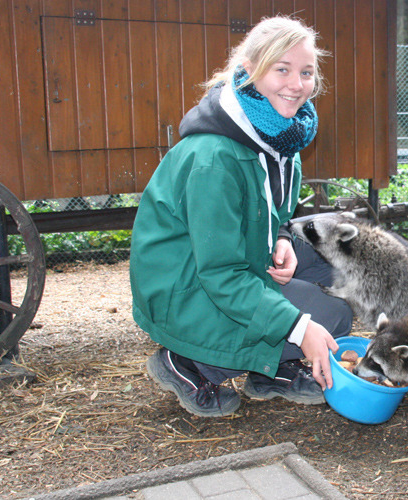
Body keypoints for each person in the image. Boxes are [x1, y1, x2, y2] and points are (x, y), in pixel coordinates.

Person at [129, 16, 353, 418]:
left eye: (305, 72)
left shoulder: (280, 137)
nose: (296, 84)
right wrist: (300, 328)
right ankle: (189, 364)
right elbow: (220, 274)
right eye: (280, 69)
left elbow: (275, 212)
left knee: (341, 268)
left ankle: (271, 371)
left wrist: (282, 236)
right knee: (330, 317)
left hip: (232, 266)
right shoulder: (214, 157)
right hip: (187, 289)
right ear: (249, 71)